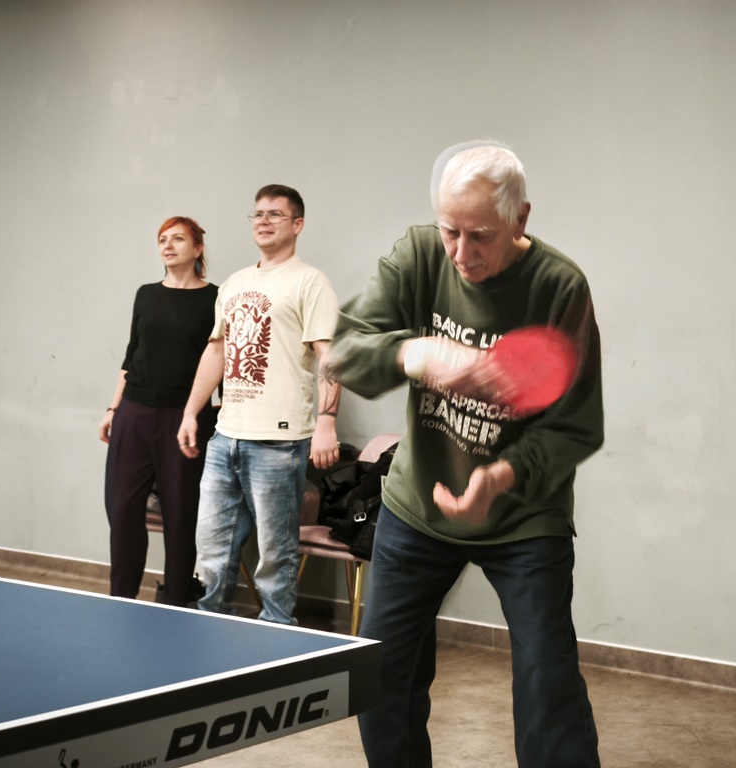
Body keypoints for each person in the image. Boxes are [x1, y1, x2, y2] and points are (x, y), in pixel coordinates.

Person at [329, 142, 604, 767]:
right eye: (449, 230)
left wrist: (502, 477)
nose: (460, 252)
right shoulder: (419, 254)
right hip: (418, 506)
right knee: (381, 678)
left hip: (523, 518)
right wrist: (415, 353)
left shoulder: (560, 287)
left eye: (480, 235)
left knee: (549, 685)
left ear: (520, 219)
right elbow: (343, 349)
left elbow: (575, 426)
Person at [176, 184, 342, 625]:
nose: (263, 221)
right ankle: (210, 629)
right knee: (211, 551)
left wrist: (327, 422)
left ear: (297, 225)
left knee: (275, 554)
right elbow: (217, 351)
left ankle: (278, 636)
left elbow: (331, 357)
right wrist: (192, 412)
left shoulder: (310, 282)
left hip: (279, 442)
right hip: (225, 436)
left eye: (275, 214)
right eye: (258, 214)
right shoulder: (234, 283)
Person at [99, 216, 218, 607]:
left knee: (180, 514)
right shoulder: (146, 294)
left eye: (178, 239)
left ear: (197, 248)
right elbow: (131, 354)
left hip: (184, 418)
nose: (168, 245)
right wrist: (114, 407)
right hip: (133, 413)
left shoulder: (216, 299)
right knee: (122, 508)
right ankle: (122, 599)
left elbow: (221, 361)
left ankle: (177, 601)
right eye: (163, 239)